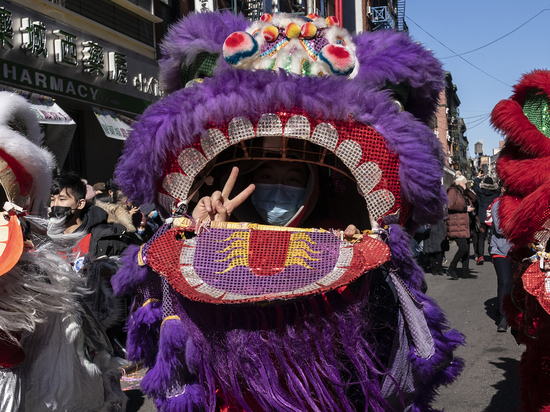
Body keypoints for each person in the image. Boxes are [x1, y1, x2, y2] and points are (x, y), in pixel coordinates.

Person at [446, 175, 477, 279]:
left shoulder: (462, 192)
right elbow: (450, 205)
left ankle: (465, 271)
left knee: (467, 248)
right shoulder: (453, 191)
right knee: (463, 248)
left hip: (464, 224)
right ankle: (451, 268)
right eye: (464, 183)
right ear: (460, 183)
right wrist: (464, 209)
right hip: (457, 223)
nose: (466, 185)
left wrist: (467, 190)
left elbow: (474, 198)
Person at [489, 193, 512, 332]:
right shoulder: (498, 205)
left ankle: (516, 314)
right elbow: (500, 229)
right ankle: (503, 317)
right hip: (500, 249)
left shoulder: (523, 203)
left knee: (518, 283)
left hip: (519, 249)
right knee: (505, 282)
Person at [473, 172, 500, 264]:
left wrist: (477, 178)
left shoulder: (481, 192)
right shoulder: (496, 192)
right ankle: (493, 255)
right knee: (493, 236)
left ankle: (480, 255)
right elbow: (501, 187)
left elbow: (475, 187)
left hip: (482, 216)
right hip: (492, 217)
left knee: (481, 237)